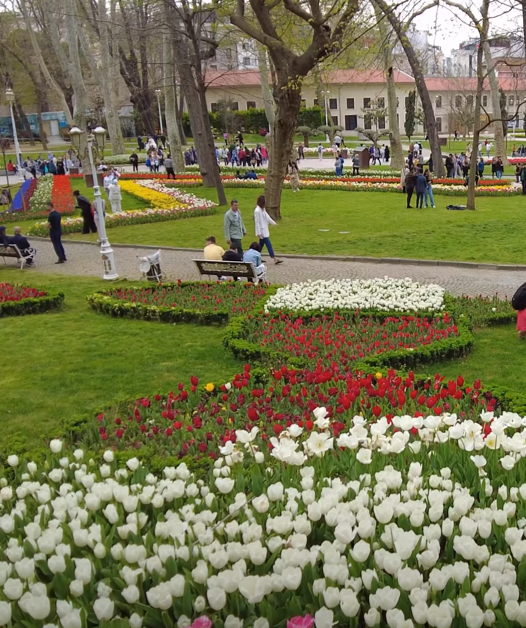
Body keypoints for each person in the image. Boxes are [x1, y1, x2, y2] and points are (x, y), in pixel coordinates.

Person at [254, 195, 282, 266]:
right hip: (262, 232)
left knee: (260, 246)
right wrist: (258, 233)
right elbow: (257, 223)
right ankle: (274, 259)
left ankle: (256, 257)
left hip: (264, 231)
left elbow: (267, 217)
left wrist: (274, 223)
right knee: (268, 245)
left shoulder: (263, 210)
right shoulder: (257, 211)